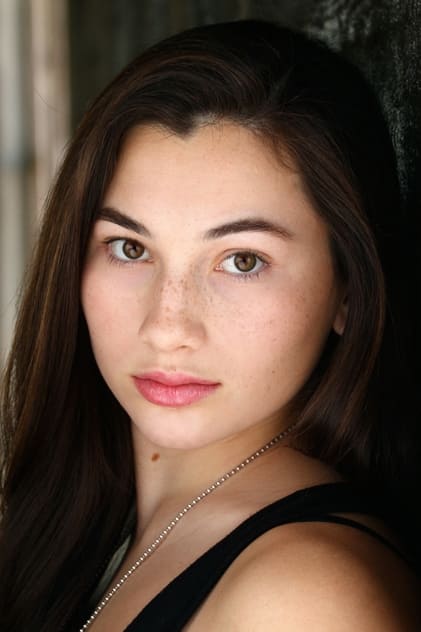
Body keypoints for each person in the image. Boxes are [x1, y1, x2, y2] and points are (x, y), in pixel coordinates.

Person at [0, 19, 420, 632]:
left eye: (242, 261)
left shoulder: (303, 599)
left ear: (349, 291)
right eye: (129, 249)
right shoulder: (80, 537)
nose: (167, 325)